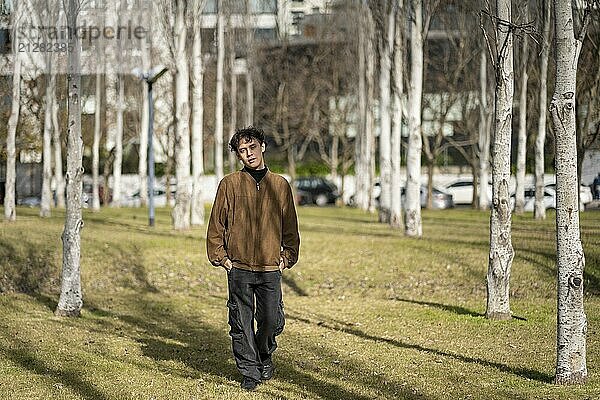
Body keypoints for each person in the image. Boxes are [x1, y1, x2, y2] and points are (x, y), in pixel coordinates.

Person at [206, 126, 300, 391]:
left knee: (271, 321)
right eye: (242, 151)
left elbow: (290, 226)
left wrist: (286, 257)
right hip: (239, 267)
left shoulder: (280, 185)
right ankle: (250, 371)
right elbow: (216, 227)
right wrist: (223, 259)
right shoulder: (229, 184)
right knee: (241, 322)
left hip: (270, 267)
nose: (249, 154)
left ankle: (263, 355)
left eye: (252, 148)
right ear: (238, 156)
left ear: (262, 147)